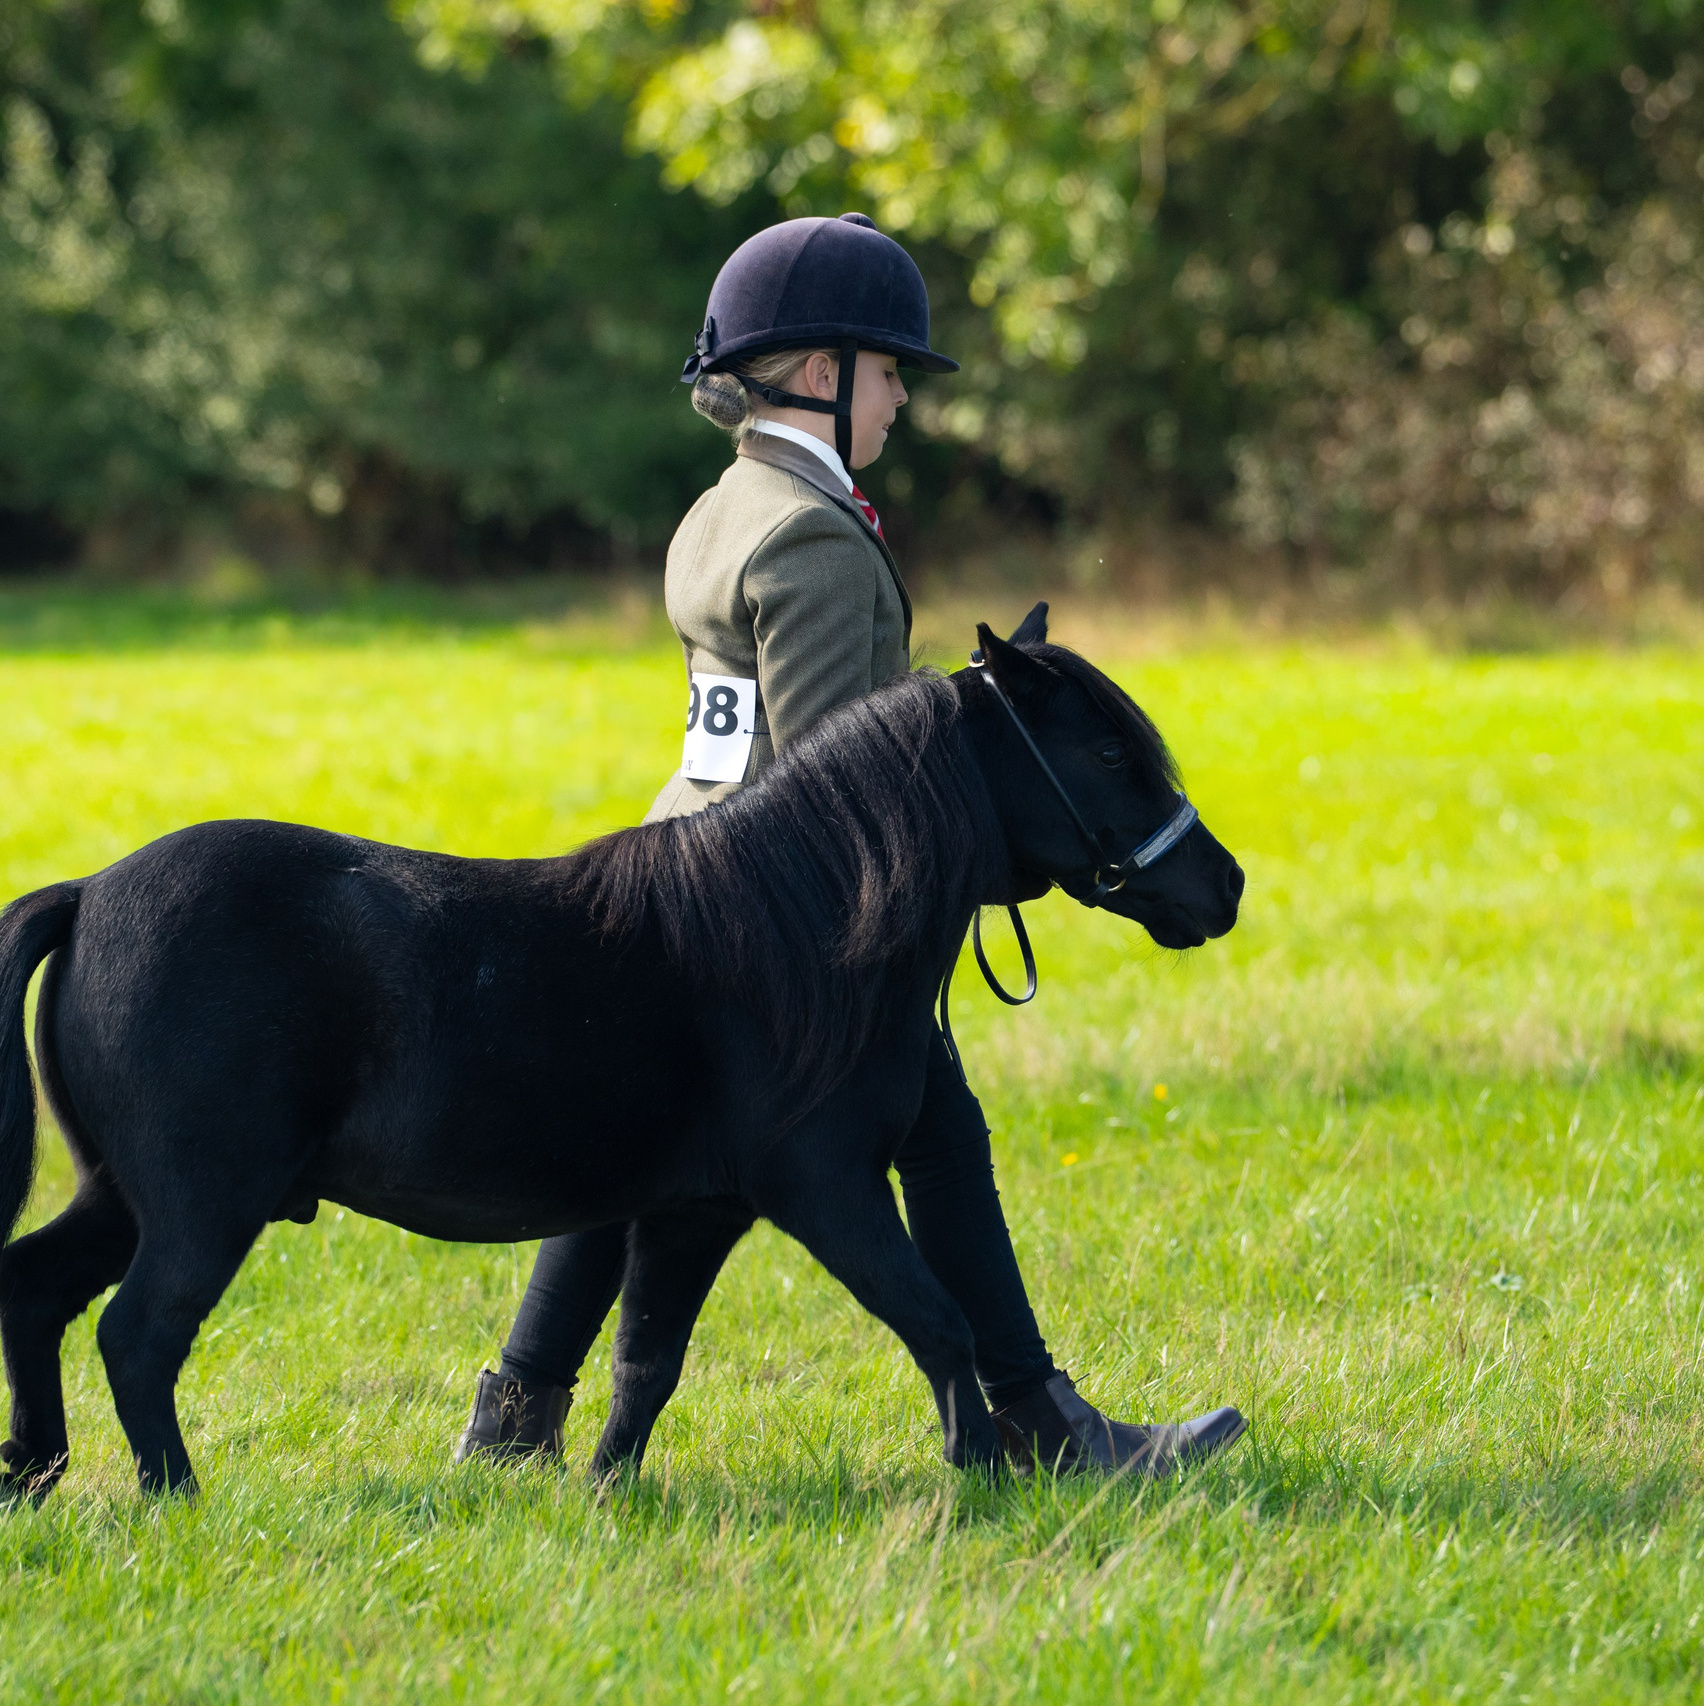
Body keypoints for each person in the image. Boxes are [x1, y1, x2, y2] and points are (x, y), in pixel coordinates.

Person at [454, 213, 1245, 1473]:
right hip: (777, 923)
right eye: (888, 376)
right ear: (817, 374)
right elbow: (838, 768)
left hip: (683, 858)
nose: (899, 404)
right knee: (935, 1128)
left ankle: (513, 1414)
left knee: (629, 1153)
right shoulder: (814, 534)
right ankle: (1038, 1418)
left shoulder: (730, 504)